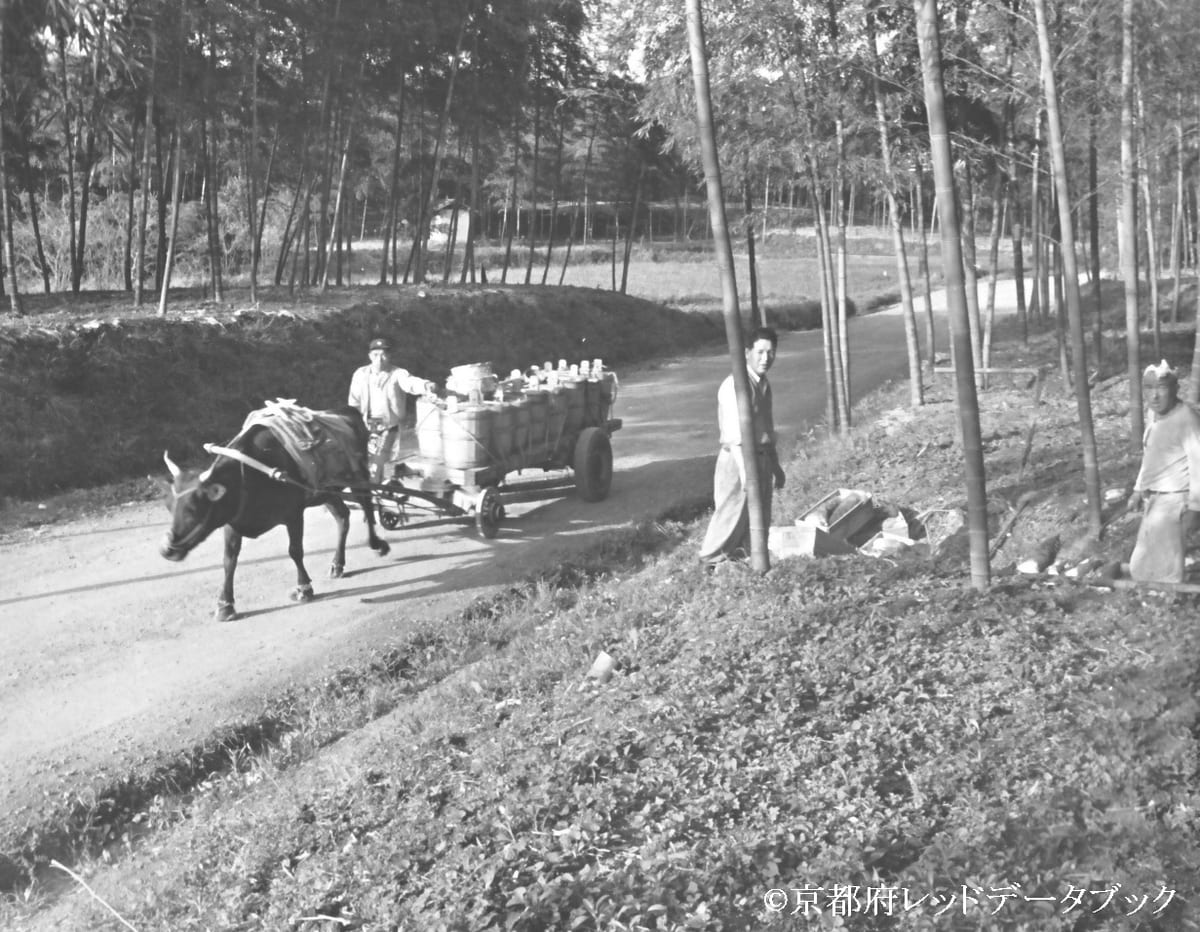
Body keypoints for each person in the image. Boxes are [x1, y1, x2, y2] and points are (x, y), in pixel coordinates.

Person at [698, 327, 786, 567]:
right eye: (760, 352)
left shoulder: (763, 383)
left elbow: (767, 430)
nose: (765, 358)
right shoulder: (735, 385)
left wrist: (776, 467)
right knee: (730, 516)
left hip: (761, 458)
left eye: (770, 353)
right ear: (747, 353)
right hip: (737, 461)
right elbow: (734, 435)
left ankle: (748, 563)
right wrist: (746, 472)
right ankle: (709, 563)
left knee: (758, 519)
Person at [1128, 360, 1200, 583]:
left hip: (1175, 501)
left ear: (1175, 389)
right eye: (1149, 388)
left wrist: (1195, 508)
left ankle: (1167, 604)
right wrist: (1138, 489)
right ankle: (1152, 599)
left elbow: (1199, 464)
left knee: (1166, 565)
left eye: (1161, 388)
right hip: (1154, 498)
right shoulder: (1154, 415)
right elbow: (1151, 456)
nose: (1155, 396)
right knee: (1140, 563)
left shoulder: (1187, 419)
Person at [348, 337, 437, 482]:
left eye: (384, 355)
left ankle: (376, 490)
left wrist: (426, 385)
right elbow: (354, 400)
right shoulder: (360, 374)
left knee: (381, 459)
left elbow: (410, 383)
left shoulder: (397, 373)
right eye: (376, 355)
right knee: (364, 459)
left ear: (389, 356)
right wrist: (352, 421)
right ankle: (374, 488)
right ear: (370, 356)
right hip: (366, 424)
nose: (379, 359)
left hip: (388, 425)